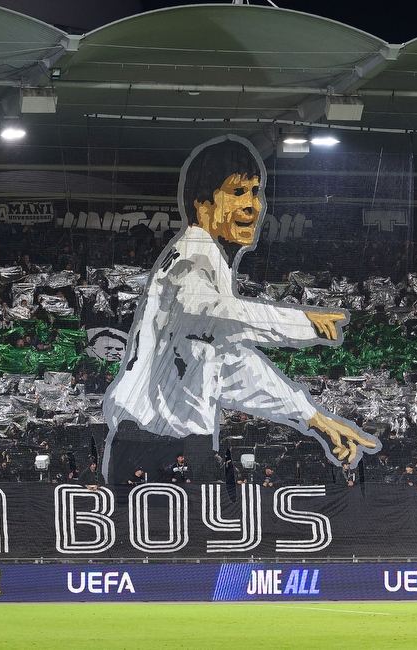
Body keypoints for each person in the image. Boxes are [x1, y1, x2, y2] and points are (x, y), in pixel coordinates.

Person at [102, 135, 380, 482]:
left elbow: (232, 366)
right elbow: (214, 313)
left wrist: (314, 418)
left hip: (174, 444)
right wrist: (302, 322)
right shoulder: (191, 259)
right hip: (149, 447)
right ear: (202, 205)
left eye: (255, 192)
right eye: (237, 192)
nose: (252, 205)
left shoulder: (210, 263)